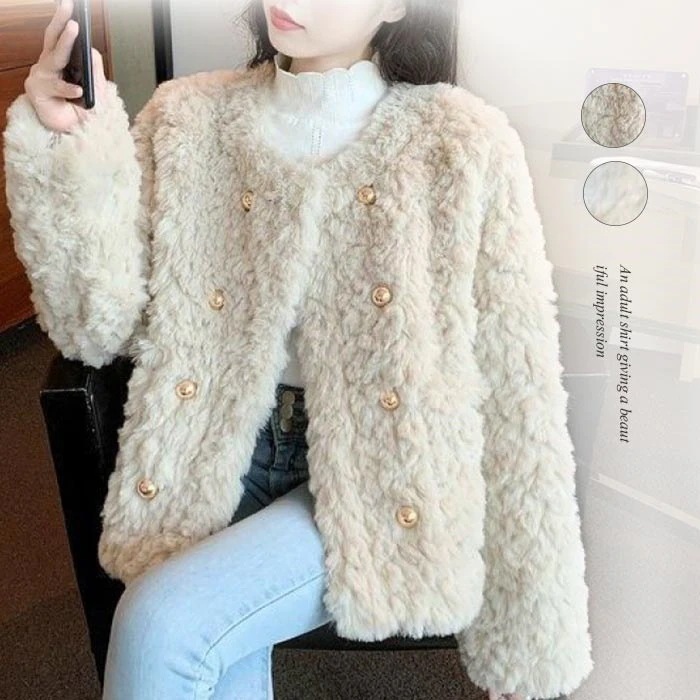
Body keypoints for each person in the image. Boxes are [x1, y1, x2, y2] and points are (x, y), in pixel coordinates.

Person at [2, 1, 594, 699]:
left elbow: (518, 379)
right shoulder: (186, 119)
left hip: (383, 471)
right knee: (207, 657)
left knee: (162, 626)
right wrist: (65, 142)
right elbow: (95, 326)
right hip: (210, 448)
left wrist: (531, 629)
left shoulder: (461, 140)